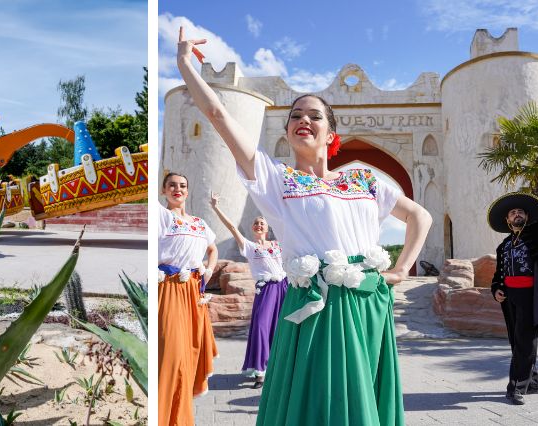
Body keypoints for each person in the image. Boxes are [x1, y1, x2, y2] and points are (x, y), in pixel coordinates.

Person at [176, 27, 432, 425]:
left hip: (367, 301)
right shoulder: (276, 180)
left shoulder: (363, 181)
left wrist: (400, 269)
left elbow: (421, 216)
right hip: (315, 303)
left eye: (315, 116)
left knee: (362, 401)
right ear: (288, 131)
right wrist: (184, 66)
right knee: (317, 404)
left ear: (332, 134)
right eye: (295, 115)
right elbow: (218, 114)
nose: (303, 120)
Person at [489, 164, 538, 404]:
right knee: (517, 340)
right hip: (510, 298)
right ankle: (532, 382)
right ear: (507, 219)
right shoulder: (503, 246)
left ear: (526, 217)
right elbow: (498, 275)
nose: (517, 215)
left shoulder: (535, 234)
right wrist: (496, 289)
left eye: (521, 212)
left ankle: (517, 387)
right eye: (513, 213)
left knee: (524, 341)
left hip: (532, 296)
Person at [158, 172, 218, 425]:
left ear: (188, 190)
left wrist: (208, 271)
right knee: (171, 355)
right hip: (170, 289)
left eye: (182, 185)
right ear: (163, 190)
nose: (177, 189)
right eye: (172, 185)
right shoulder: (162, 217)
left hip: (194, 291)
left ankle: (181, 417)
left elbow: (212, 249)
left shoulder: (200, 223)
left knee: (189, 354)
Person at [209, 192, 287, 389]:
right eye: (256, 223)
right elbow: (233, 227)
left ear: (268, 228)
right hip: (266, 289)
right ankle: (260, 371)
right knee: (261, 326)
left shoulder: (278, 245)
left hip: (284, 288)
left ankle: (279, 369)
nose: (259, 225)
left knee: (281, 329)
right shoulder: (249, 247)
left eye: (262, 223)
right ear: (253, 229)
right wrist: (216, 207)